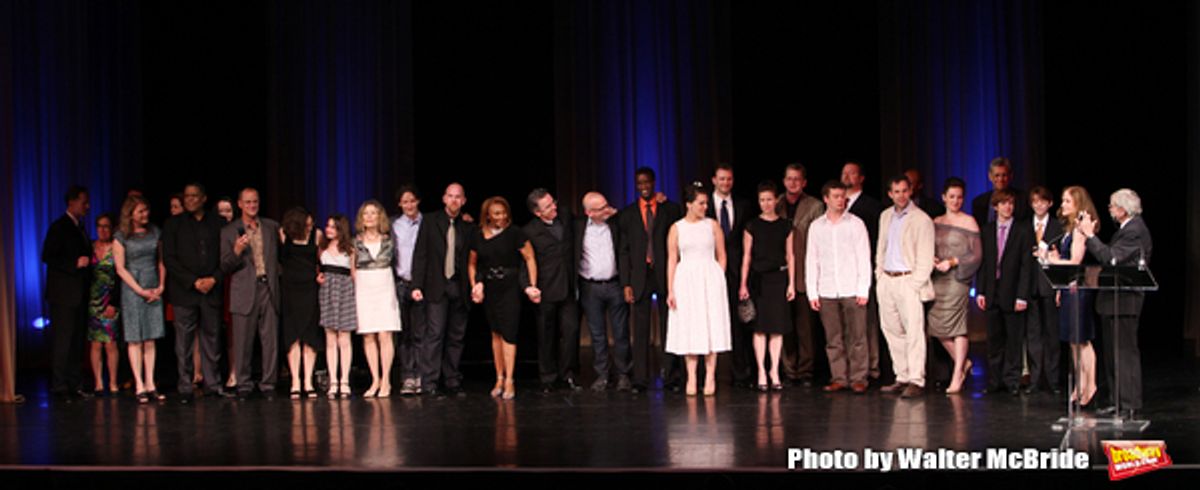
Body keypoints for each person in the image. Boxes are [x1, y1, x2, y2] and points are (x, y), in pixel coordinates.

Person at [1083, 189, 1152, 418]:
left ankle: (1129, 402)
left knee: (1124, 353)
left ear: (1123, 209)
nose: (1110, 209)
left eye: (1112, 206)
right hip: (1113, 300)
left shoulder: (1134, 231)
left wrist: (1090, 236)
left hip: (1125, 300)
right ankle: (1116, 400)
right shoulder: (1126, 229)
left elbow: (1110, 258)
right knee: (1113, 353)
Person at [618, 167, 684, 393]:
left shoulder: (671, 209)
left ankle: (670, 376)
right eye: (639, 183)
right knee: (641, 328)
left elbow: (678, 246)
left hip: (665, 274)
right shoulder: (627, 214)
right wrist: (626, 283)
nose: (644, 186)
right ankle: (640, 379)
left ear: (654, 182)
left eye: (647, 182)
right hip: (640, 276)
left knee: (669, 326)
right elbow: (624, 251)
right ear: (636, 185)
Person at [469, 197, 542, 399]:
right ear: (488, 215)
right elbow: (473, 263)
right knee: (496, 333)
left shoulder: (515, 233)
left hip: (509, 287)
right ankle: (498, 377)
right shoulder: (478, 235)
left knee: (509, 332)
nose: (501, 216)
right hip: (490, 288)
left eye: (503, 212)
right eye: (496, 213)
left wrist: (532, 285)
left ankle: (510, 379)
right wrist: (475, 285)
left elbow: (529, 258)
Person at [805, 181, 872, 394]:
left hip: (851, 287)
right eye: (835, 196)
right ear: (826, 198)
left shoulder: (856, 224)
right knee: (833, 338)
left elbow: (864, 257)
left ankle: (859, 377)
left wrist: (863, 289)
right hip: (827, 289)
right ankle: (839, 377)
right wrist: (812, 291)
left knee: (857, 336)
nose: (840, 200)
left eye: (843, 196)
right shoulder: (817, 226)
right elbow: (811, 259)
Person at [665, 183, 731, 396]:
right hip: (686, 280)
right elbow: (672, 260)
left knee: (711, 325)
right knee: (690, 327)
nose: (705, 206)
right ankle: (692, 377)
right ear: (689, 204)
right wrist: (671, 290)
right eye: (701, 203)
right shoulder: (677, 228)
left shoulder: (712, 225)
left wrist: (717, 277)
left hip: (709, 278)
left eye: (705, 203)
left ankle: (710, 376)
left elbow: (722, 255)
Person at [163, 183, 227, 402]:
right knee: (184, 341)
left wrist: (213, 279)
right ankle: (185, 386)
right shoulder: (173, 224)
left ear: (203, 198)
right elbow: (169, 259)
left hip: (211, 288)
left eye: (194, 196)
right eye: (186, 196)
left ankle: (213, 384)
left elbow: (225, 256)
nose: (189, 200)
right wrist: (193, 281)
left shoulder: (218, 223)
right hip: (184, 290)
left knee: (212, 337)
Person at [1038, 186, 1099, 407]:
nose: (1062, 205)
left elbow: (1075, 262)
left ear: (1078, 204)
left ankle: (1090, 384)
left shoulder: (1080, 230)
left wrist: (1051, 260)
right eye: (1062, 200)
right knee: (1073, 342)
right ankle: (1080, 384)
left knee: (1082, 340)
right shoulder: (1068, 229)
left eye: (1067, 201)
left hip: (1079, 291)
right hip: (1068, 289)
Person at [411, 183, 474, 397]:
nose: (454, 200)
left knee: (456, 336)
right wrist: (416, 285)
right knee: (435, 334)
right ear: (444, 198)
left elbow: (473, 259)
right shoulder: (430, 221)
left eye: (458, 197)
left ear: (463, 201)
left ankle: (452, 380)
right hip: (436, 285)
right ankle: (430, 382)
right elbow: (421, 255)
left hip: (460, 285)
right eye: (450, 196)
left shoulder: (468, 227)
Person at [875, 175, 936, 398]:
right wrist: (879, 275)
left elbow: (926, 255)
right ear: (890, 194)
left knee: (913, 332)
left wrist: (915, 283)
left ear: (910, 191)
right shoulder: (885, 216)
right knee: (892, 330)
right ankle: (902, 376)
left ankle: (916, 379)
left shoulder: (922, 219)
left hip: (908, 280)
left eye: (904, 191)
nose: (901, 195)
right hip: (887, 280)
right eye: (896, 192)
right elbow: (881, 248)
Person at [220, 188, 281, 399]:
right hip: (244, 289)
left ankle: (269, 384)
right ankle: (243, 384)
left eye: (255, 202)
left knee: (270, 339)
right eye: (247, 202)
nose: (252, 206)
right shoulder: (230, 231)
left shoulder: (271, 227)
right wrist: (236, 250)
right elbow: (224, 266)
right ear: (239, 204)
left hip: (268, 288)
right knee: (243, 341)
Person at [976, 189, 1034, 396]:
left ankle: (1012, 381)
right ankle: (994, 381)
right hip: (992, 291)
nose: (1008, 207)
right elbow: (984, 263)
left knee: (1014, 339)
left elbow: (1027, 266)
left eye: (1011, 203)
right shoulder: (987, 230)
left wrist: (1022, 295)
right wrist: (981, 291)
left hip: (1013, 291)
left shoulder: (1023, 230)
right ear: (995, 207)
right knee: (994, 340)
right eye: (1003, 204)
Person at [738, 181, 795, 392]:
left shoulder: (786, 225)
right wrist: (743, 284)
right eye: (762, 200)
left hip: (778, 280)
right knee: (760, 329)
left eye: (769, 199)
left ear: (776, 200)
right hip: (758, 280)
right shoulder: (752, 225)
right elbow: (747, 256)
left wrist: (791, 283)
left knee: (777, 329)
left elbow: (791, 256)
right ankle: (761, 370)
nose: (766, 204)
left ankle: (775, 371)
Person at [927, 178, 982, 395]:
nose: (956, 201)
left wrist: (952, 262)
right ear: (943, 198)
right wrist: (931, 259)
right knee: (935, 326)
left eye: (959, 197)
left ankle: (957, 374)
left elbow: (976, 255)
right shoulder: (935, 221)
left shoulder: (969, 222)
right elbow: (925, 246)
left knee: (958, 325)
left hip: (958, 279)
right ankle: (963, 363)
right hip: (937, 279)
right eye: (952, 197)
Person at [524, 189, 581, 393]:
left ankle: (569, 375)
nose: (554, 207)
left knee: (571, 331)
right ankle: (548, 377)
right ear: (537, 213)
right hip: (545, 289)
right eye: (548, 206)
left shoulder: (565, 216)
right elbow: (524, 262)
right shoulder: (529, 231)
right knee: (546, 334)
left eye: (553, 202)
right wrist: (528, 287)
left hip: (568, 285)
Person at [574, 192, 631, 391]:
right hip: (590, 287)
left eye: (607, 205)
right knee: (597, 335)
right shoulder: (578, 227)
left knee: (621, 332)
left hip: (615, 285)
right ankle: (603, 375)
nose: (606, 210)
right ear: (589, 212)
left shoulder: (615, 223)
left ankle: (624, 374)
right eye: (600, 209)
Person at [113, 196, 167, 403]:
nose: (145, 215)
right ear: (130, 214)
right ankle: (139, 385)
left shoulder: (155, 232)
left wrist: (161, 285)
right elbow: (120, 268)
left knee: (150, 338)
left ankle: (151, 383)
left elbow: (161, 261)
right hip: (133, 288)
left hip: (153, 284)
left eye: (146, 210)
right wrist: (139, 290)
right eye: (140, 211)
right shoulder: (121, 236)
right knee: (135, 338)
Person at [704, 164, 754, 389]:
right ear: (714, 180)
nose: (726, 183)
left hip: (735, 271)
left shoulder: (743, 205)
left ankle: (741, 373)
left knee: (738, 322)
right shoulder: (703, 205)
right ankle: (704, 375)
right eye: (722, 179)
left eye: (729, 179)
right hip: (707, 267)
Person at [42, 185, 93, 399]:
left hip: (78, 294)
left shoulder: (79, 227)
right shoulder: (59, 226)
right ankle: (59, 386)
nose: (87, 206)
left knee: (76, 342)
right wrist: (74, 262)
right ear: (71, 202)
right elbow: (48, 256)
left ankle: (75, 383)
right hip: (63, 295)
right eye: (84, 202)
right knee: (63, 341)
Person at [778, 163, 824, 388]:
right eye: (789, 178)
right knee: (786, 326)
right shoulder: (775, 204)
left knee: (805, 327)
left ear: (804, 182)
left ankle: (806, 370)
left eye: (797, 179)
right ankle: (789, 370)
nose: (792, 183)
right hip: (782, 273)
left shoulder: (815, 206)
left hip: (806, 273)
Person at [354, 200, 403, 398]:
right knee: (369, 335)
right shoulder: (355, 241)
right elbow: (352, 270)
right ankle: (375, 379)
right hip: (365, 286)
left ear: (379, 216)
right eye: (366, 214)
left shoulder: (389, 240)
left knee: (385, 334)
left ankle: (386, 380)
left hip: (384, 284)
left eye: (373, 213)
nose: (370, 217)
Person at [842, 161, 886, 382]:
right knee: (847, 325)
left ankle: (872, 368)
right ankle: (850, 369)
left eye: (852, 173)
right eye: (844, 173)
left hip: (865, 270)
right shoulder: (838, 206)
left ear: (861, 178)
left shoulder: (872, 207)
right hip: (842, 274)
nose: (847, 176)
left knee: (867, 323)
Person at [280, 207, 323, 399]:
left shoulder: (316, 234)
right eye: (307, 220)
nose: (311, 223)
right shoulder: (284, 234)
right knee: (293, 336)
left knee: (309, 335)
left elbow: (321, 260)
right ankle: (295, 381)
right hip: (290, 289)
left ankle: (308, 381)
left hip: (310, 288)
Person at [1026, 186, 1063, 394]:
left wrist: (1059, 287)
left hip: (1049, 286)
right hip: (1031, 287)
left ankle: (1053, 380)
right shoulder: (1025, 227)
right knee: (1033, 335)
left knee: (1052, 334)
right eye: (1035, 201)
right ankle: (1035, 379)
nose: (1039, 205)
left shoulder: (1057, 228)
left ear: (1050, 203)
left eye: (1043, 201)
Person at [392, 185, 425, 396]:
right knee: (404, 334)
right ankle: (407, 377)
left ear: (418, 201)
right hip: (400, 283)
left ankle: (421, 375)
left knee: (421, 333)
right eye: (405, 202)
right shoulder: (394, 225)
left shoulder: (427, 223)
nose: (409, 205)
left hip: (421, 284)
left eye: (412, 201)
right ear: (400, 204)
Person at [318, 214, 357, 398]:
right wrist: (318, 277)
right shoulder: (323, 247)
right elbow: (318, 269)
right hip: (327, 291)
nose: (328, 229)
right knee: (330, 338)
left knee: (344, 338)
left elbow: (353, 273)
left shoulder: (350, 249)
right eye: (328, 225)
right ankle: (333, 381)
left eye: (333, 226)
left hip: (345, 290)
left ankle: (345, 381)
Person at [87, 213, 120, 396]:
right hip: (93, 302)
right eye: (99, 226)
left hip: (110, 300)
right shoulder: (90, 247)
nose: (102, 229)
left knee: (110, 343)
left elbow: (120, 277)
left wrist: (114, 303)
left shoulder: (116, 247)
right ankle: (98, 383)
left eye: (106, 226)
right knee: (95, 344)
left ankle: (113, 383)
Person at [971, 157, 1031, 228]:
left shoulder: (1023, 199)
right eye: (997, 175)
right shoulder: (978, 202)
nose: (1000, 179)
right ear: (990, 176)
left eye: (1004, 175)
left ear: (1010, 176)